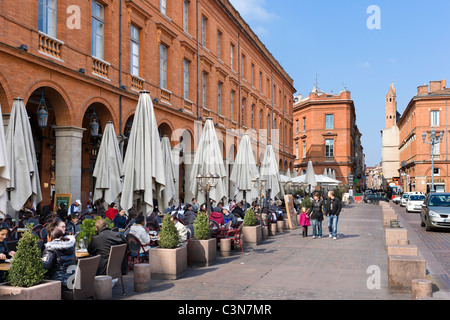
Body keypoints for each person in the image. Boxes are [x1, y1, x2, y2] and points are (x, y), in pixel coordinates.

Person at [41, 225, 77, 291]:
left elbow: (44, 267)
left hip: (60, 283)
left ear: (50, 237)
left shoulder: (50, 248)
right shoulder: (70, 246)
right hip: (72, 281)